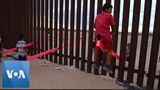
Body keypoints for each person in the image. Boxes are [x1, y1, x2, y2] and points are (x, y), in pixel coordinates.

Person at [93, 3, 115, 74]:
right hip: (106, 36)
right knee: (109, 49)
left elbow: (95, 26)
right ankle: (106, 65)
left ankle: (96, 62)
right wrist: (113, 31)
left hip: (98, 36)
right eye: (110, 9)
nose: (111, 10)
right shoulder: (109, 16)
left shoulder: (98, 16)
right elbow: (113, 25)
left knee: (97, 48)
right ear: (106, 9)